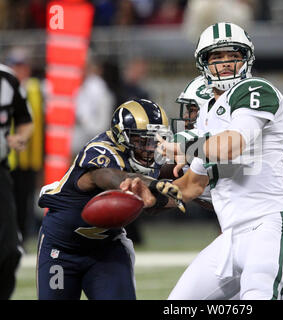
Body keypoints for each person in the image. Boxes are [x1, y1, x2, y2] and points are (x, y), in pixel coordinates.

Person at [140, 22, 283, 300]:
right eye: (217, 57)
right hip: (232, 235)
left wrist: (186, 145)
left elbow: (231, 145)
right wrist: (148, 195)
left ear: (246, 59)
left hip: (270, 222)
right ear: (204, 63)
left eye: (233, 55)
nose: (225, 63)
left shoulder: (256, 90)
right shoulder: (207, 116)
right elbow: (191, 185)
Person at [172, 75, 283, 300]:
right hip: (236, 240)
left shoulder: (241, 138)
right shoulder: (209, 145)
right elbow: (190, 187)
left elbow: (228, 150)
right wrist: (144, 191)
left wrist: (186, 146)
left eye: (193, 110)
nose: (188, 119)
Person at [36, 99, 183, 300]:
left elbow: (152, 204)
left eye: (155, 140)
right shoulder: (101, 151)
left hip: (107, 249)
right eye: (142, 141)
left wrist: (174, 193)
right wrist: (151, 184)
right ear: (121, 137)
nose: (150, 148)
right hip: (61, 249)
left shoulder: (150, 158)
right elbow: (110, 177)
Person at [0, 63, 33, 299]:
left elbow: (25, 119)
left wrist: (20, 138)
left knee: (9, 249)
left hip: (0, 172)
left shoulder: (8, 80)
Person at [6, 47, 44, 243]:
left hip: (31, 157)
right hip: (8, 157)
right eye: (16, 66)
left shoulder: (37, 89)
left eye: (23, 67)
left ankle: (20, 238)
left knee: (25, 201)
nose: (20, 71)